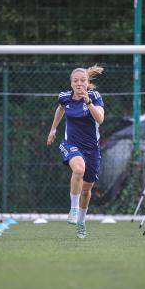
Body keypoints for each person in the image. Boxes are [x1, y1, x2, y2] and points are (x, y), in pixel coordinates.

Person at [47, 65, 105, 239]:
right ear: (71, 83)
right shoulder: (64, 98)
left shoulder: (94, 97)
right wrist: (53, 130)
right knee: (78, 169)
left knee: (86, 191)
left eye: (82, 80)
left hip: (92, 149)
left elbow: (100, 119)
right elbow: (60, 109)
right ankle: (73, 209)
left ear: (87, 83)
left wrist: (87, 101)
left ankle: (81, 221)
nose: (79, 84)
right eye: (75, 81)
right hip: (71, 144)